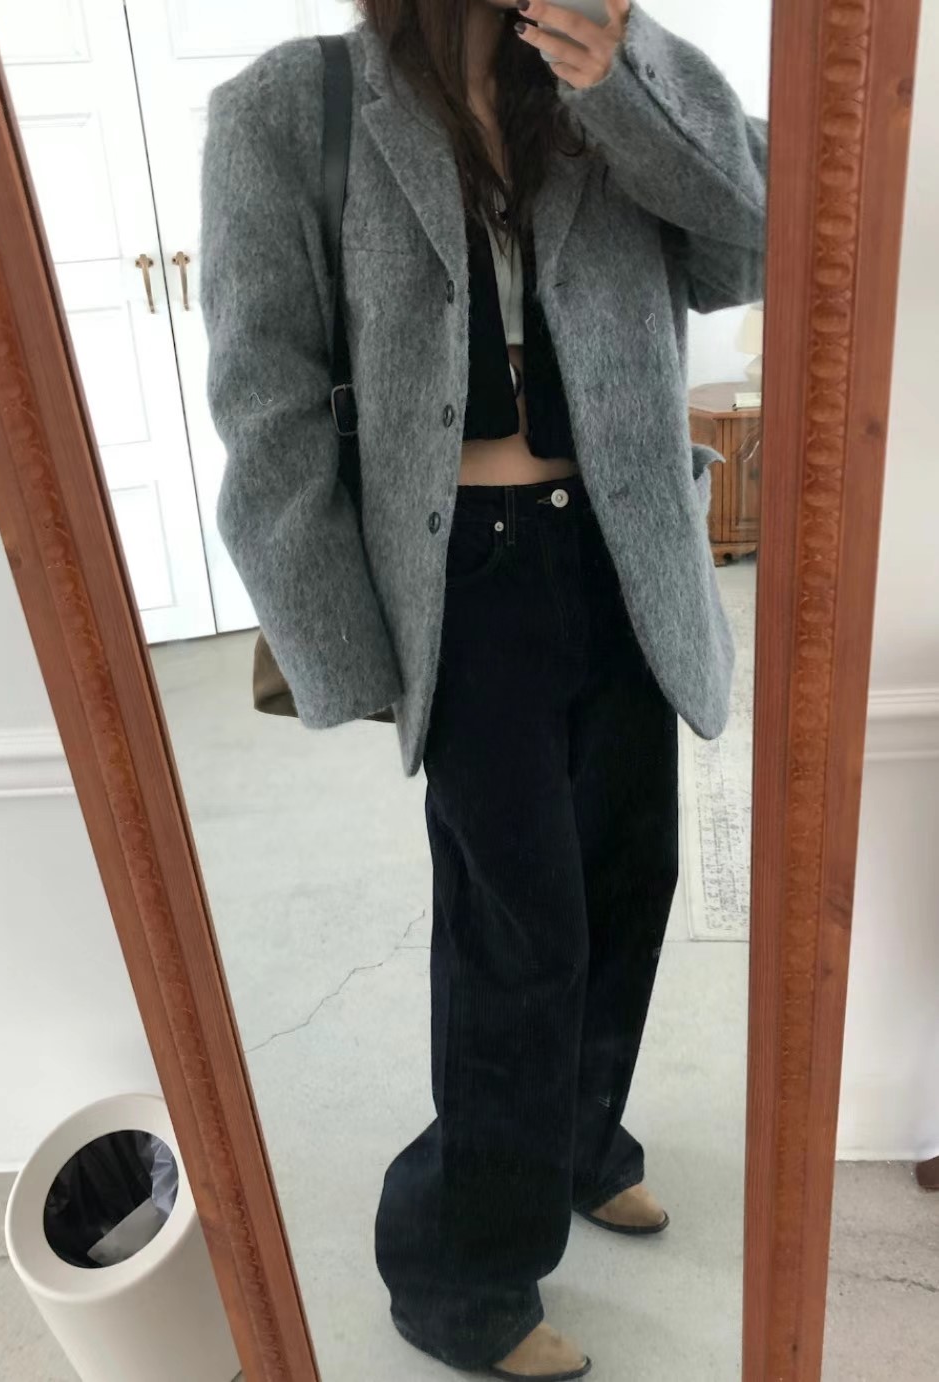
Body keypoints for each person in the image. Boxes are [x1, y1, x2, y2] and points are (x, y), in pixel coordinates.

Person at [200, 1, 766, 1376]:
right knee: (520, 936)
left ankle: (577, 1140)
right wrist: (345, 642)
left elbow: (750, 247)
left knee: (628, 884)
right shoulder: (289, 107)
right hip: (468, 580)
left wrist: (622, 78)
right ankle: (461, 1273)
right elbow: (264, 392)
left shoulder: (617, 70)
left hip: (626, 555)